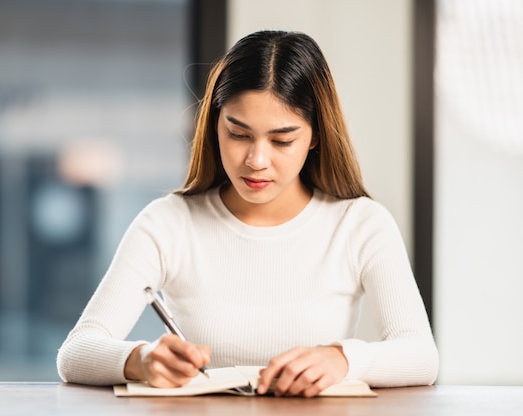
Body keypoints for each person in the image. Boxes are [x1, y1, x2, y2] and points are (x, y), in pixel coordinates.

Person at [57, 30, 438, 397]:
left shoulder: (360, 224)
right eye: (238, 134)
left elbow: (421, 357)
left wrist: (343, 358)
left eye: (282, 140)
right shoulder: (168, 223)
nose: (256, 160)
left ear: (316, 136)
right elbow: (75, 353)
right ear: (214, 125)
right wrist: (140, 360)